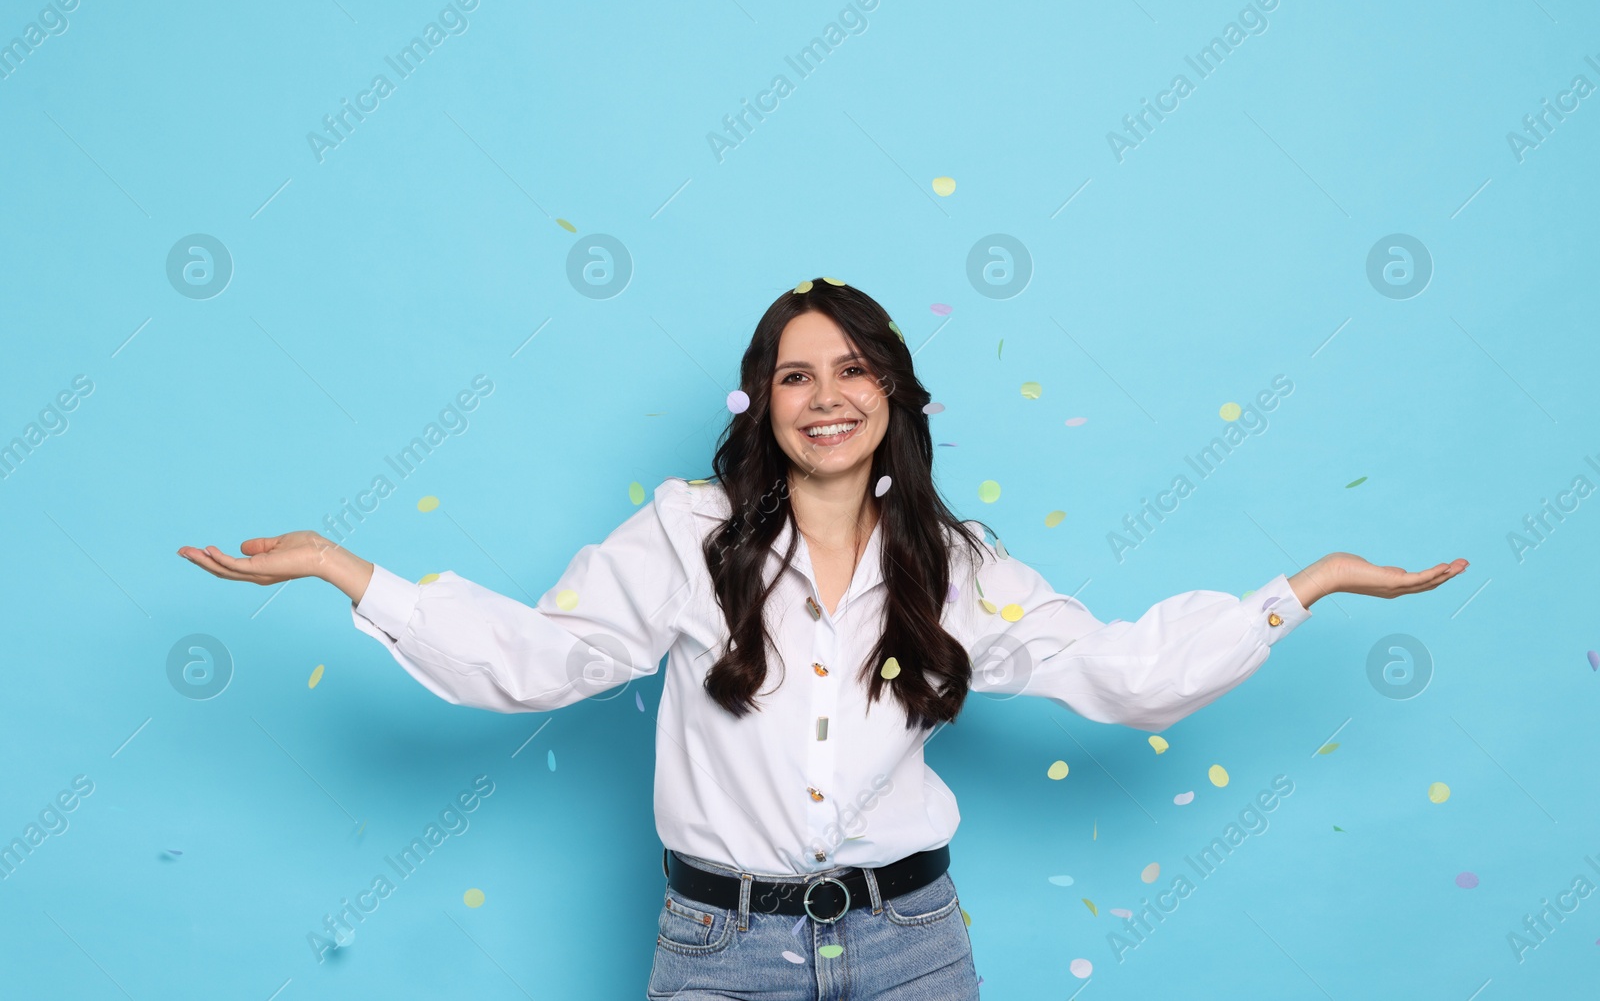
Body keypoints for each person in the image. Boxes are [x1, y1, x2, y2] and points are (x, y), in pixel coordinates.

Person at [179, 278, 1467, 998]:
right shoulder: (689, 536)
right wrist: (347, 572)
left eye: (852, 369)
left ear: (893, 393)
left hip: (915, 948)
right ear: (765, 403)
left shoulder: (954, 568)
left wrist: (1308, 585)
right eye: (797, 373)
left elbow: (1122, 675)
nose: (828, 395)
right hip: (719, 952)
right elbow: (535, 660)